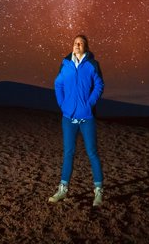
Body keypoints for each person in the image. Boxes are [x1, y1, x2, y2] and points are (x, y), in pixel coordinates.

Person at [48, 33, 104, 207]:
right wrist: (62, 103)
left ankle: (98, 192)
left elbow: (99, 85)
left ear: (86, 47)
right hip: (68, 117)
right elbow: (58, 84)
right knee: (68, 153)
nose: (77, 45)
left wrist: (89, 103)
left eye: (81, 43)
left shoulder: (92, 65)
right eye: (75, 43)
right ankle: (63, 190)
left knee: (92, 153)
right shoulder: (65, 64)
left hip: (87, 117)